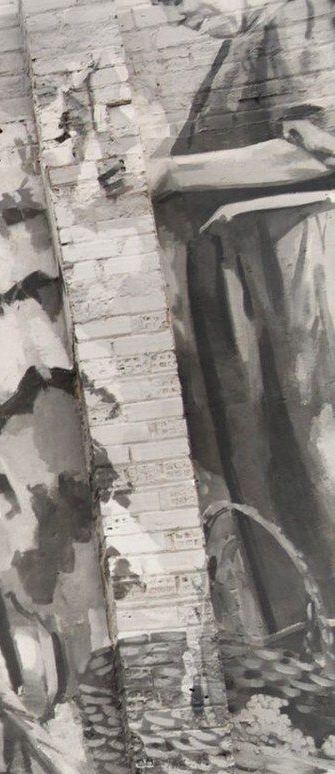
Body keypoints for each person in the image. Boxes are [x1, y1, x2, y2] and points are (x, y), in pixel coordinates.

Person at [148, 0, 335, 621]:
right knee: (285, 466)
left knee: (321, 440)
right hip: (256, 274)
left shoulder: (298, 18)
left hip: (301, 265)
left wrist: (167, 174)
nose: (177, 13)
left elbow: (320, 150)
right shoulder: (241, 43)